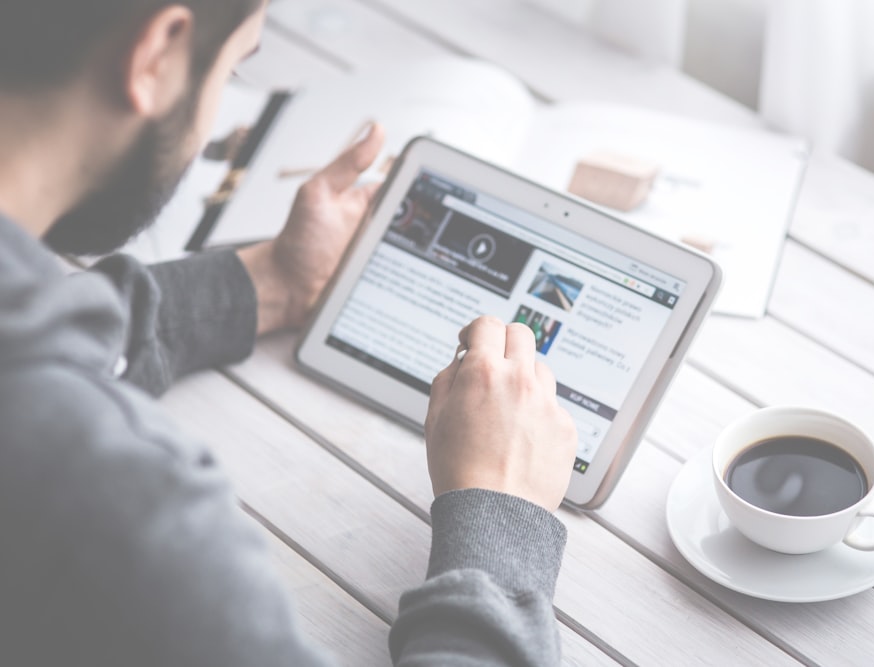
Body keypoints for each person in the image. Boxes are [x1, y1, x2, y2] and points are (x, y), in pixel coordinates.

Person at [0, 1, 579, 665]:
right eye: (233, 68)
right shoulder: (120, 509)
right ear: (159, 52)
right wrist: (498, 515)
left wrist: (269, 281)